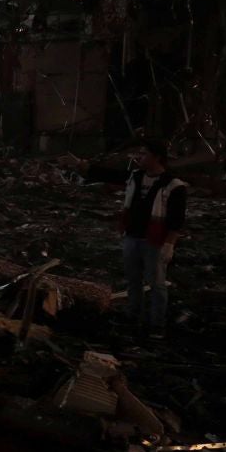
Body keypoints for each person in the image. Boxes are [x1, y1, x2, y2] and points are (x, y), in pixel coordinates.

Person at [74, 139, 187, 338]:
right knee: (133, 280)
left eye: (143, 154)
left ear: (157, 157)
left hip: (155, 240)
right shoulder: (136, 177)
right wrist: (83, 166)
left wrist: (170, 244)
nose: (139, 158)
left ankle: (156, 325)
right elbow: (110, 175)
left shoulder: (174, 186)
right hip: (132, 237)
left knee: (157, 284)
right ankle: (132, 316)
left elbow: (177, 220)